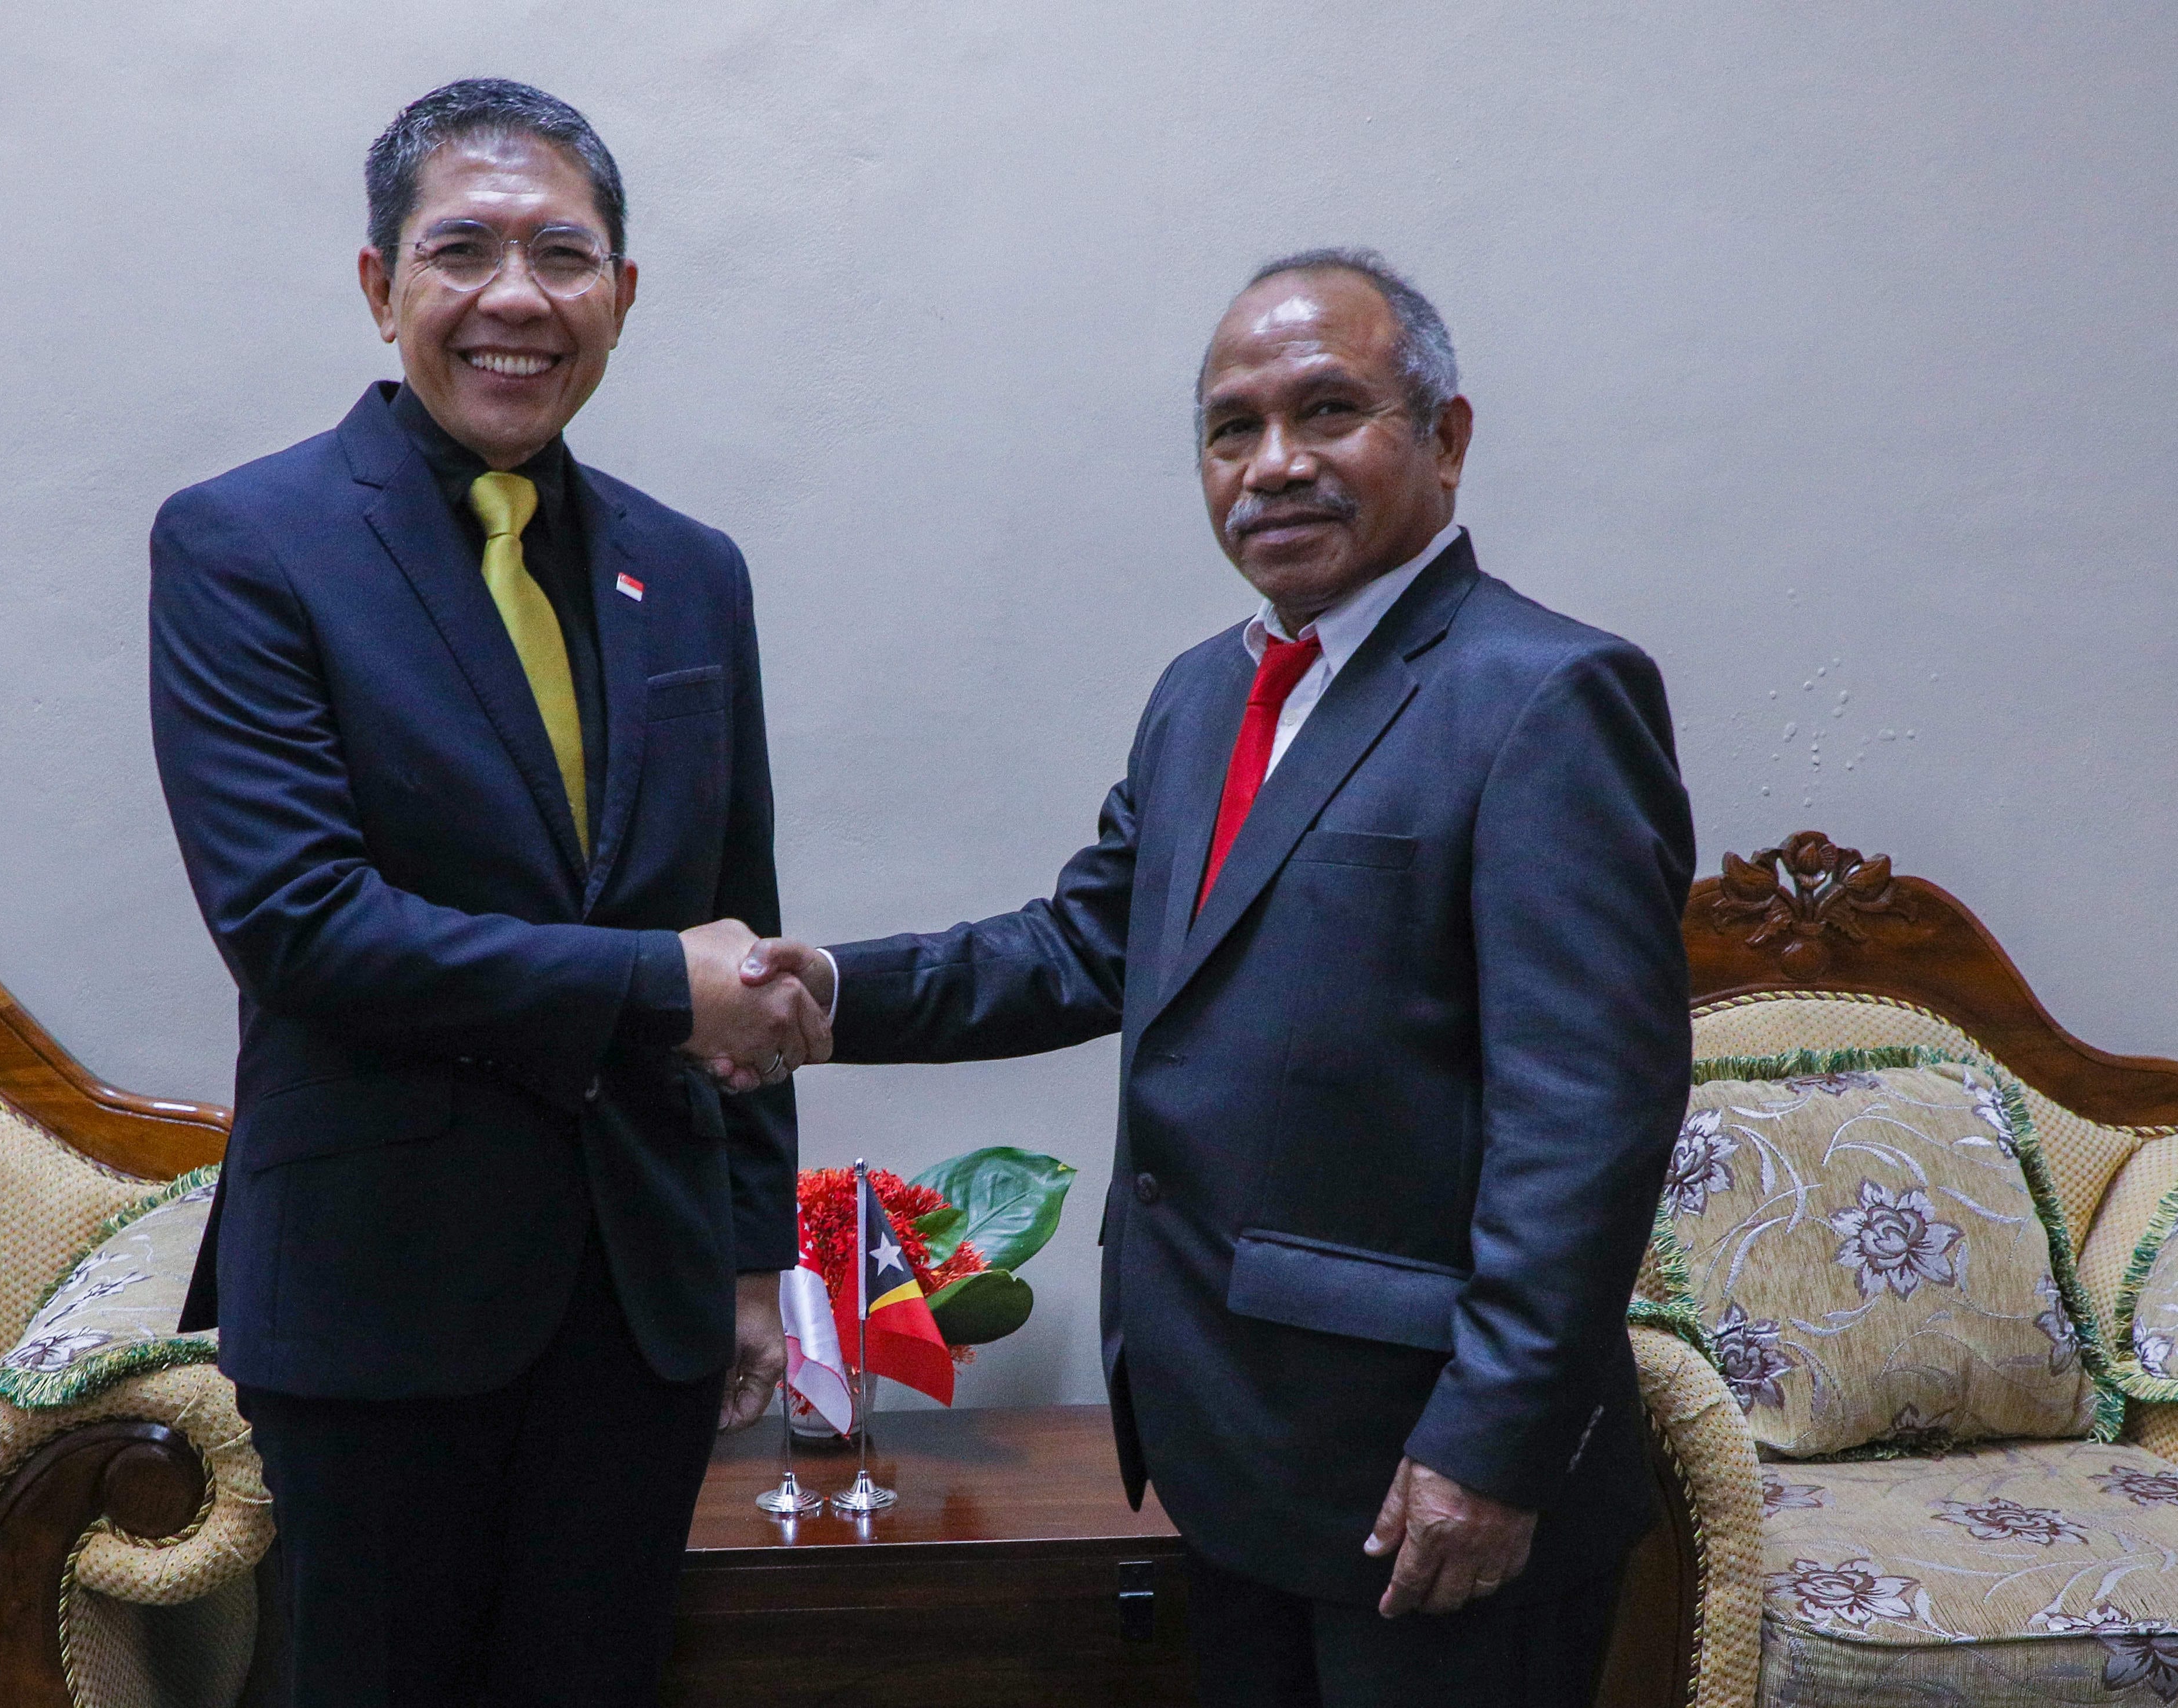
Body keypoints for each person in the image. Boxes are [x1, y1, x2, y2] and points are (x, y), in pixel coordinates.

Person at [739, 250, 1694, 1706]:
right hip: (1233, 1446)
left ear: (1445, 438)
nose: (1274, 464)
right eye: (1231, 428)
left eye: (1329, 411)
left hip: (1424, 1473)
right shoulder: (1205, 690)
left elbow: (1588, 1121)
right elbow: (1083, 944)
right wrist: (825, 991)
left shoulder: (1544, 696)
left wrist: (1488, 1449)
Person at [148, 78, 827, 1707]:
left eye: (564, 255)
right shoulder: (248, 544)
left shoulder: (694, 569)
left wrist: (748, 1249)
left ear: (623, 297)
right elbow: (301, 923)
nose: (516, 297)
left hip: (640, 1298)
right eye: (464, 250)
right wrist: (662, 988)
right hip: (381, 1296)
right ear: (381, 286)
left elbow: (739, 903)